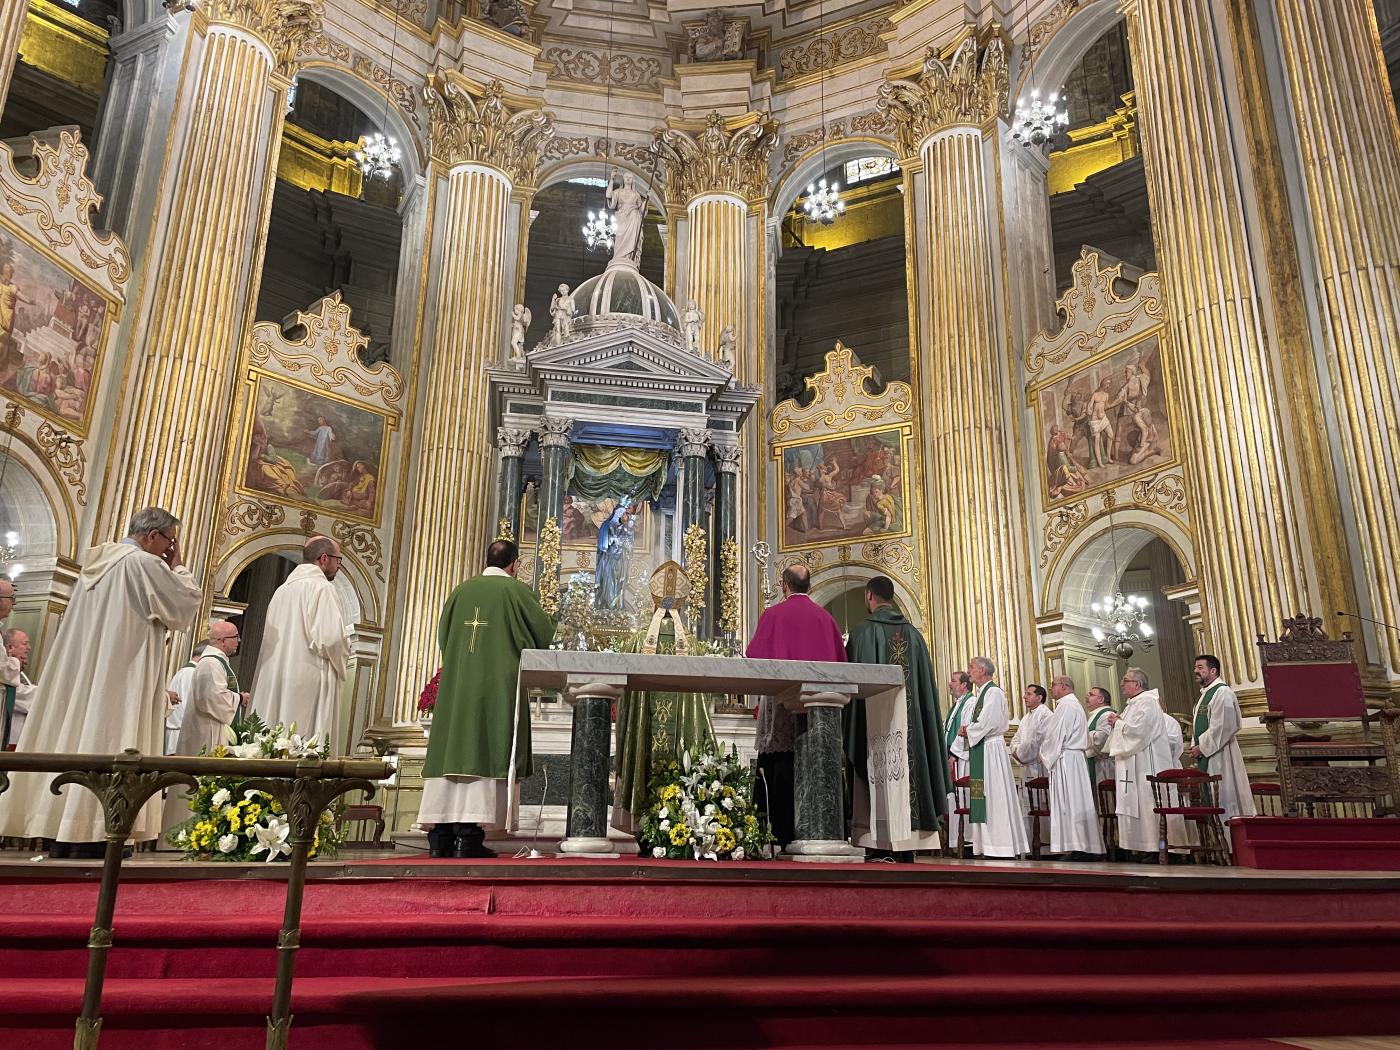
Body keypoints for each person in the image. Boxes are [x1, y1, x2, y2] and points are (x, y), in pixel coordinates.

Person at [0, 508, 202, 857]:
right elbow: (184, 603)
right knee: (111, 736)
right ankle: (97, 830)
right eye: (169, 541)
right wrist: (178, 566)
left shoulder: (99, 562)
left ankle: (61, 829)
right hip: (120, 673)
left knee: (77, 738)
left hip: (85, 672)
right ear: (153, 537)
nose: (170, 548)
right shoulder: (144, 564)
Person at [417, 539, 554, 859]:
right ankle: (468, 835)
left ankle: (440, 836)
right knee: (483, 750)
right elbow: (543, 636)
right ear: (515, 564)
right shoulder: (517, 593)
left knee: (452, 752)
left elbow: (444, 637)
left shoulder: (460, 592)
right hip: (497, 688)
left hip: (457, 688)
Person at [844, 575, 948, 861]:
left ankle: (877, 844)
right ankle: (907, 846)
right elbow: (925, 690)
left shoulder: (862, 633)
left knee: (873, 770)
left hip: (872, 725)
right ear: (892, 597)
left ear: (869, 597)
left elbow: (851, 682)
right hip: (911, 727)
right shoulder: (914, 635)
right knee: (910, 769)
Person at [745, 562, 846, 850]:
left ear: (783, 586)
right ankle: (818, 832)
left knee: (778, 770)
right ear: (810, 587)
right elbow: (842, 665)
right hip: (819, 715)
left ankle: (778, 836)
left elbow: (755, 660)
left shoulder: (774, 615)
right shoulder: (826, 619)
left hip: (780, 709)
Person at [612, 562, 715, 835]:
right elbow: (700, 709)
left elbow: (623, 704)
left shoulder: (636, 643)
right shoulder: (691, 646)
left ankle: (643, 828)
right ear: (682, 603)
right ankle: (677, 829)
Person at [252, 536, 352, 743]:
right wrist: (347, 646)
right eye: (338, 560)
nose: (338, 567)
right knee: (304, 740)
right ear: (324, 558)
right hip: (307, 676)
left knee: (274, 739)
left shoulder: (281, 591)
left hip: (275, 676)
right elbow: (330, 639)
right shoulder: (321, 588)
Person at [1106, 668, 1181, 857]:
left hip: (1148, 763)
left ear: (1137, 684)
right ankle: (1147, 848)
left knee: (1149, 802)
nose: (1122, 684)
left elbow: (1139, 731)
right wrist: (1119, 722)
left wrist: (1118, 723)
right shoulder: (1134, 704)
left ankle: (1159, 849)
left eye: (1126, 680)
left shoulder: (1147, 702)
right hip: (1136, 763)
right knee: (1140, 803)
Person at [959, 657, 1029, 859]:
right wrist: (968, 730)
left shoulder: (994, 692)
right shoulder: (982, 693)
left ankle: (1001, 845)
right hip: (982, 747)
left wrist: (968, 730)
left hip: (991, 750)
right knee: (985, 795)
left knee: (995, 795)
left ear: (982, 671)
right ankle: (987, 845)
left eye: (972, 667)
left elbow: (988, 721)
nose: (969, 671)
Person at [1040, 676, 1105, 857]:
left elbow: (1055, 735)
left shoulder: (1067, 705)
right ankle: (1076, 845)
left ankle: (1080, 846)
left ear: (1063, 686)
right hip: (1069, 757)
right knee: (1072, 801)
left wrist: (1044, 754)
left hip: (1067, 758)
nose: (1051, 688)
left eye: (1053, 685)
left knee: (1072, 801)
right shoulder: (1068, 704)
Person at [1189, 654, 1255, 824]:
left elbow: (1224, 726)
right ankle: (1218, 842)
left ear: (1213, 670)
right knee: (1212, 796)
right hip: (1209, 754)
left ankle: (1230, 843)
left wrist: (1201, 747)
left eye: (1200, 668)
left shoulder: (1222, 692)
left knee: (1225, 795)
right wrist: (1195, 746)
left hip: (1221, 754)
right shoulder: (1205, 695)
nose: (1196, 671)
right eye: (1195, 667)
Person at [174, 621, 248, 757]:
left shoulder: (217, 661)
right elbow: (213, 698)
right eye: (235, 636)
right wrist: (240, 698)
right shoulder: (210, 663)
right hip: (208, 731)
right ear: (223, 640)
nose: (238, 640)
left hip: (213, 726)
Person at [1010, 683, 1052, 846]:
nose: (1024, 697)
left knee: (1042, 804)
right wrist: (1017, 752)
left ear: (1039, 697)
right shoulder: (1026, 717)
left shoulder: (1045, 715)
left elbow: (1038, 741)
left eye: (1028, 694)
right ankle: (1031, 844)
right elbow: (1015, 739)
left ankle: (1046, 844)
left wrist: (1020, 753)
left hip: (1039, 767)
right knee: (1027, 805)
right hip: (1026, 766)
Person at [943, 670, 976, 848]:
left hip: (963, 757)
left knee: (966, 797)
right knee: (956, 798)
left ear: (964, 685)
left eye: (953, 681)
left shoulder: (970, 703)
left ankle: (969, 840)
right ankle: (958, 841)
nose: (950, 684)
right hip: (954, 754)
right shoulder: (957, 704)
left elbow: (965, 730)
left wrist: (953, 755)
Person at [164, 640, 208, 755]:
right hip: (181, 735)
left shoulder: (185, 671)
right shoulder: (191, 673)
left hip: (179, 733)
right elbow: (189, 708)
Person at [1, 628, 35, 750]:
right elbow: (24, 696)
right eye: (25, 643)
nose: (29, 648)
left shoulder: (17, 674)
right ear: (10, 648)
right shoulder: (4, 677)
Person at [606, 170, 647, 268]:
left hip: (633, 217)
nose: (628, 178)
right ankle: (619, 257)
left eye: (630, 177)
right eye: (626, 177)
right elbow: (608, 195)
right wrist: (611, 179)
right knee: (620, 238)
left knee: (632, 240)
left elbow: (641, 211)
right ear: (623, 179)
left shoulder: (636, 194)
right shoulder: (618, 191)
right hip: (621, 218)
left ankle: (629, 258)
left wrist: (646, 200)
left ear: (633, 180)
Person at [1084, 686, 1116, 788]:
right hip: (1097, 764)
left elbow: (1102, 739)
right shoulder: (1094, 715)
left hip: (1104, 766)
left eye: (1091, 694)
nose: (1086, 697)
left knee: (1107, 799)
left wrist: (1081, 735)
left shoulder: (1107, 714)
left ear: (1101, 699)